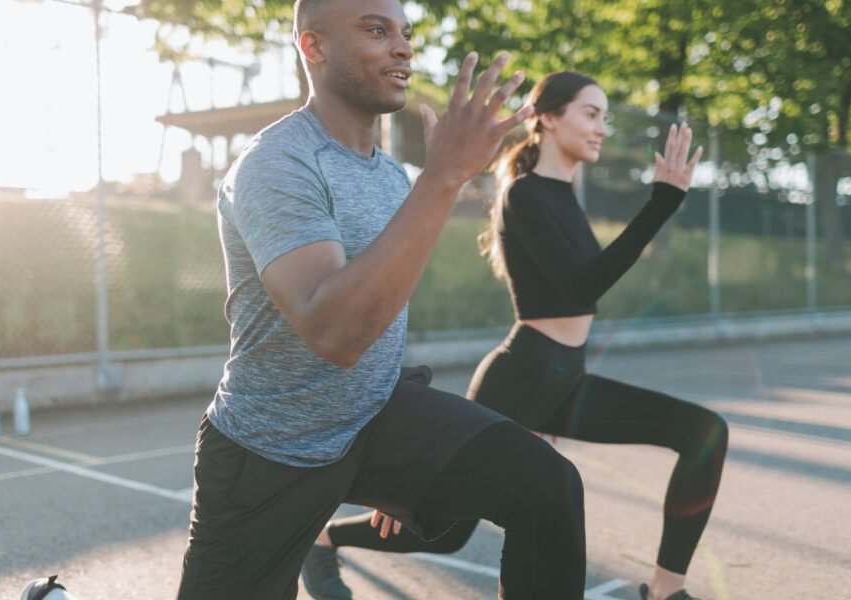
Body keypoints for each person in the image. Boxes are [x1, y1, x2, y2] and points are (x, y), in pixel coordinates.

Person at [176, 0, 595, 597]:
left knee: (546, 486)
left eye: (405, 32)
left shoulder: (391, 176)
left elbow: (382, 310)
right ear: (314, 48)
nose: (403, 47)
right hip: (271, 452)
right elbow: (336, 333)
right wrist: (443, 177)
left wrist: (411, 465)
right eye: (376, 30)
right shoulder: (276, 165)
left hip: (372, 420)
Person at [308, 72, 729, 600]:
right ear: (548, 118)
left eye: (605, 116)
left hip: (565, 377)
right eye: (591, 113)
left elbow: (582, 287)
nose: (602, 127)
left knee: (703, 433)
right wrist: (661, 202)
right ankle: (321, 537)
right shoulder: (525, 195)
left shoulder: (562, 195)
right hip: (522, 376)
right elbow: (583, 286)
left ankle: (667, 591)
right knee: (446, 530)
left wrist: (661, 202)